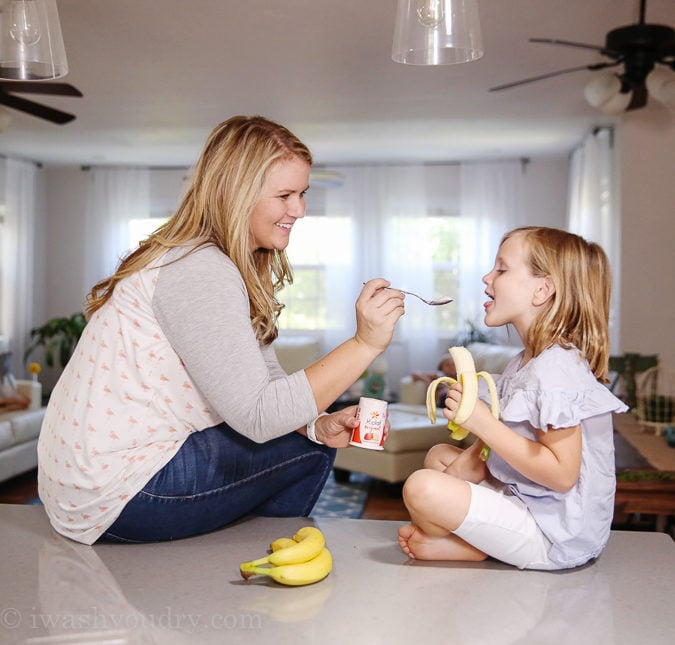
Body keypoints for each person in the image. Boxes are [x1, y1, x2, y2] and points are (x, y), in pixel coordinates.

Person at [37, 115, 405, 545]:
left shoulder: (206, 260)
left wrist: (315, 424)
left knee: (311, 439)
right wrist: (364, 343)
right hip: (120, 492)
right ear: (236, 194)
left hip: (89, 484)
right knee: (307, 454)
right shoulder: (200, 269)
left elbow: (263, 385)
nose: (300, 209)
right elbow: (259, 417)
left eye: (302, 193)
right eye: (285, 195)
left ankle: (243, 553)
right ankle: (259, 562)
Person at [398, 226, 628, 570]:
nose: (487, 277)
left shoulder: (556, 369)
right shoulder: (523, 361)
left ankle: (472, 547)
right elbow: (506, 439)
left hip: (555, 534)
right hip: (528, 499)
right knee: (438, 458)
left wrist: (483, 423)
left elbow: (563, 475)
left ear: (542, 289)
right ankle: (470, 541)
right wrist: (471, 453)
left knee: (422, 488)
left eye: (501, 269)